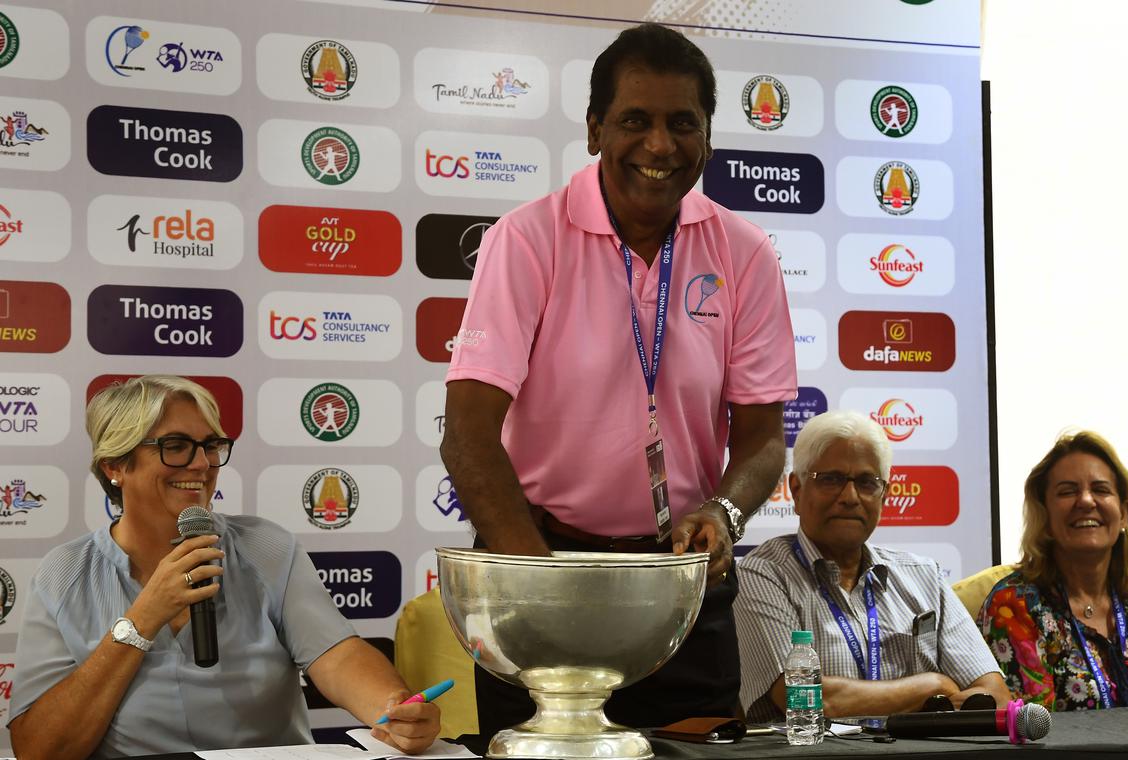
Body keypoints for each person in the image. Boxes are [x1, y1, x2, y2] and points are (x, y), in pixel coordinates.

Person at [440, 23, 796, 737]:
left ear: (708, 136)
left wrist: (723, 515)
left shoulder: (745, 251)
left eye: (682, 123)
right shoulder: (527, 239)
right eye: (636, 120)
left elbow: (762, 441)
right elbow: (469, 437)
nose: (660, 145)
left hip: (679, 573)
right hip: (539, 557)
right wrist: (541, 582)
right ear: (596, 129)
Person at [8, 375, 440, 759]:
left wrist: (393, 710)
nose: (201, 464)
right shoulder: (64, 573)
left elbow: (337, 655)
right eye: (175, 446)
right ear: (116, 466)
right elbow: (38, 749)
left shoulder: (265, 548)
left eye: (211, 445)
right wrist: (142, 619)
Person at [734, 410, 1008, 721]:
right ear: (796, 490)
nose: (850, 497)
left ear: (885, 495)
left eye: (867, 482)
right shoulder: (762, 576)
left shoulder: (925, 576)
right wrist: (933, 686)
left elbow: (995, 696)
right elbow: (803, 698)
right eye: (831, 479)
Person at [977, 431, 1128, 710]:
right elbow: (1030, 731)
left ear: (1124, 514)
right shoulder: (1013, 607)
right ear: (1044, 516)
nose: (1085, 501)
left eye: (1101, 489)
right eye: (1067, 491)